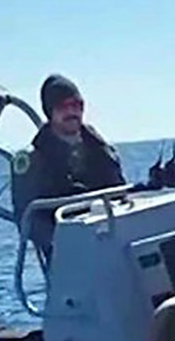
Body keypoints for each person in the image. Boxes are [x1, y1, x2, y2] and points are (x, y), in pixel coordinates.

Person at [12, 74, 127, 263]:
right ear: (50, 112)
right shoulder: (32, 160)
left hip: (115, 246)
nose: (72, 111)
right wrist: (66, 243)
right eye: (63, 106)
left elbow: (122, 195)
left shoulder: (102, 149)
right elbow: (28, 220)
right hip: (70, 260)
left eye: (77, 105)